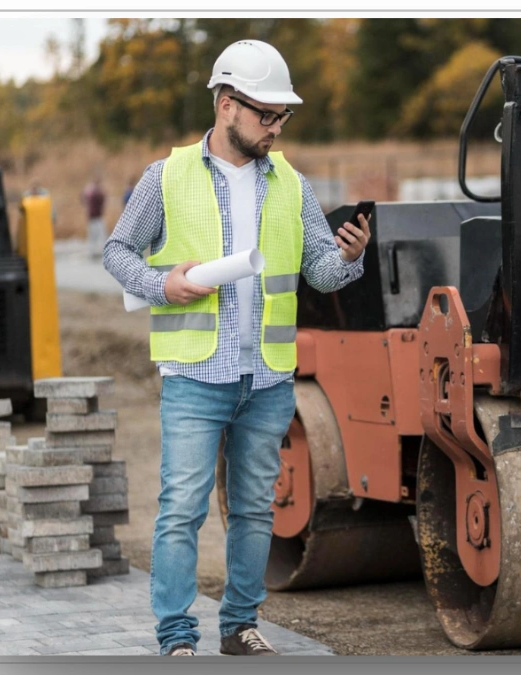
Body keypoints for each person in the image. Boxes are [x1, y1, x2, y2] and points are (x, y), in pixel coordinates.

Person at [102, 39, 371, 657]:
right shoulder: (165, 176)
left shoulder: (292, 185)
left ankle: (240, 627)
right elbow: (118, 251)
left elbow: (320, 274)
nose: (276, 128)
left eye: (283, 117)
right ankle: (176, 637)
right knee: (181, 511)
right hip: (196, 373)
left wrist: (348, 258)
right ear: (226, 105)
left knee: (254, 510)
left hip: (268, 377)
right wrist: (159, 284)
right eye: (266, 115)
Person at [82, 176, 106, 258]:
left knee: (95, 236)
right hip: (95, 217)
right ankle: (95, 251)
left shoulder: (89, 192)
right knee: (98, 235)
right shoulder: (95, 193)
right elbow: (102, 198)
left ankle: (93, 251)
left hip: (93, 217)